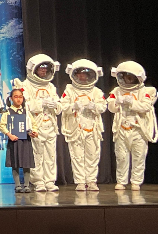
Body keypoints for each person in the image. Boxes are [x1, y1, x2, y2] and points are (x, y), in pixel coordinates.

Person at [107, 61, 158, 191]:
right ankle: (121, 181)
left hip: (138, 129)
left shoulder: (146, 91)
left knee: (138, 156)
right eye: (125, 77)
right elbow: (111, 108)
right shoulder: (116, 91)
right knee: (121, 157)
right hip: (121, 128)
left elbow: (146, 106)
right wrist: (116, 103)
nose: (128, 80)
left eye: (130, 77)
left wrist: (132, 103)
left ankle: (136, 181)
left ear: (137, 78)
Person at [14, 54, 62, 192]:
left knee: (50, 155)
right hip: (35, 125)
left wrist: (55, 105)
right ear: (33, 69)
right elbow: (24, 105)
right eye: (41, 68)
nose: (43, 70)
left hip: (50, 125)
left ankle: (49, 181)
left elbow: (59, 106)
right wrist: (41, 103)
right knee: (37, 154)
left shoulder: (51, 87)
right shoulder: (25, 86)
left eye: (45, 68)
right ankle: (38, 181)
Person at [60, 59, 106, 191]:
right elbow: (63, 106)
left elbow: (103, 106)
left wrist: (94, 106)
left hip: (92, 128)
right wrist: (73, 106)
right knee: (77, 155)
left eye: (85, 74)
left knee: (93, 155)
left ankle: (91, 181)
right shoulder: (69, 90)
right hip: (75, 128)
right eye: (79, 74)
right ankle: (80, 181)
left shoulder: (96, 91)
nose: (82, 76)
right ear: (75, 75)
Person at [0, 88, 38, 193]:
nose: (18, 99)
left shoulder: (26, 112)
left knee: (26, 163)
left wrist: (34, 132)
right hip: (14, 141)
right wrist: (9, 135)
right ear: (11, 98)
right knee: (15, 162)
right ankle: (17, 185)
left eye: (20, 97)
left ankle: (26, 185)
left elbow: (33, 125)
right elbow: (2, 125)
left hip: (25, 140)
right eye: (16, 97)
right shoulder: (8, 112)